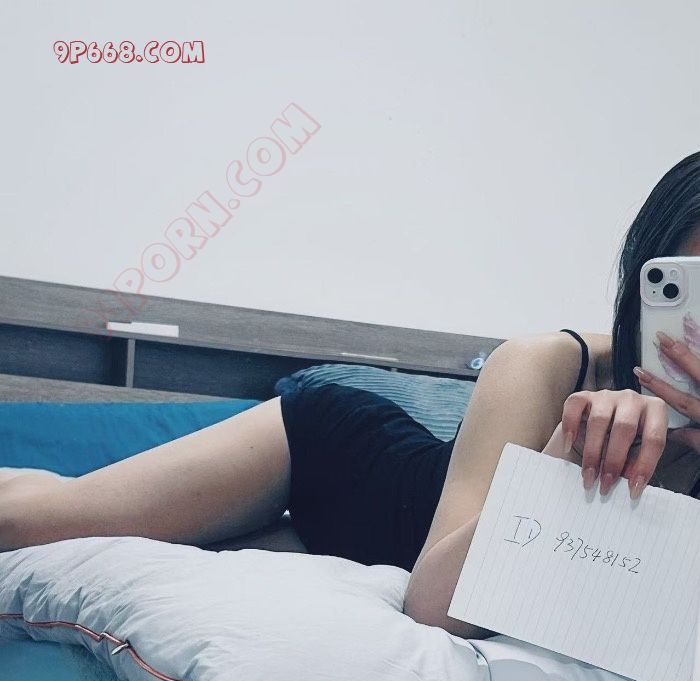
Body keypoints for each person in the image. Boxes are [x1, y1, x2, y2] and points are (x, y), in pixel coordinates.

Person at [2, 153, 700, 639]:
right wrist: (565, 458)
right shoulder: (554, 367)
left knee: (193, 554)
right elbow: (434, 606)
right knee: (33, 521)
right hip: (336, 467)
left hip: (352, 552)